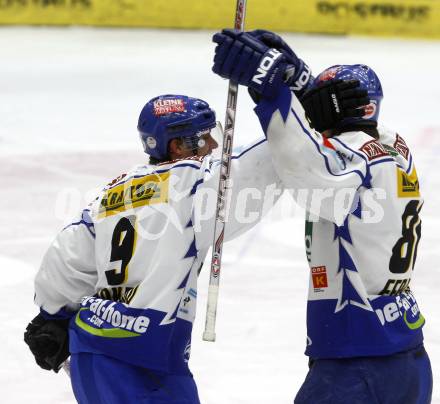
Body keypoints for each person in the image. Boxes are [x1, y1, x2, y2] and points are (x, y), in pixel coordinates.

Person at [211, 29, 433, 404]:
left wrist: (275, 92)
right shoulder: (394, 146)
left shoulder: (349, 163)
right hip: (407, 354)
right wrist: (302, 81)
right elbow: (334, 139)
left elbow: (303, 163)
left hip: (358, 361)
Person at [24, 93, 285, 404]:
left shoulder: (110, 194)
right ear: (178, 146)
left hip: (96, 354)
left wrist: (52, 316)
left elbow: (66, 259)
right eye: (205, 138)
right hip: (145, 356)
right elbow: (262, 163)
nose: (214, 146)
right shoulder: (192, 184)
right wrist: (298, 112)